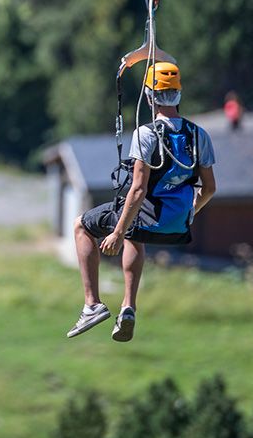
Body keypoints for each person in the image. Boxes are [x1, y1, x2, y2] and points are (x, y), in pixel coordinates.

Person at [67, 62, 216, 342]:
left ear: (149, 97)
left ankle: (92, 304)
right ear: (178, 95)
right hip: (177, 225)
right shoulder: (199, 136)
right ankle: (128, 307)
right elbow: (209, 187)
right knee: (138, 233)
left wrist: (117, 233)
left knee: (81, 226)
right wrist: (189, 214)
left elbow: (137, 190)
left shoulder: (146, 134)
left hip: (147, 216)